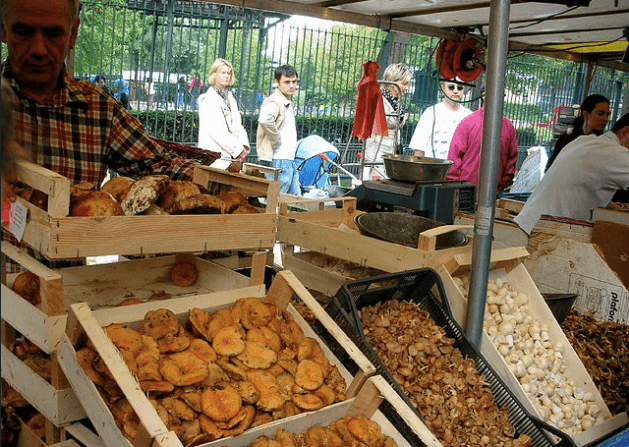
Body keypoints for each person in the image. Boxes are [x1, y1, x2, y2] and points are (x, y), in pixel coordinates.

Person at [1, 0, 201, 188]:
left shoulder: (98, 109)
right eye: (23, 32)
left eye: (53, 34)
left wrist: (220, 179)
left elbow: (160, 166)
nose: (38, 49)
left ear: (73, 33)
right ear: (2, 28)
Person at [514, 113, 629, 235]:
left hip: (525, 224)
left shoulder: (584, 142)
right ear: (624, 133)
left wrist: (612, 206)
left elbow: (581, 184)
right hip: (541, 233)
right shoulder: (616, 154)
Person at [446, 88, 518, 192]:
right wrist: (456, 187)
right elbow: (454, 159)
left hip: (494, 192)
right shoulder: (467, 123)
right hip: (465, 192)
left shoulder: (509, 127)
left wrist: (501, 185)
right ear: (483, 96)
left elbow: (511, 161)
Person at [363, 63, 412, 180]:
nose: (406, 88)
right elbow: (371, 137)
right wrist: (374, 166)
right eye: (404, 83)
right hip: (377, 158)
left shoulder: (395, 102)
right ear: (392, 82)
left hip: (389, 156)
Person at [256, 64, 301, 195]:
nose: (291, 85)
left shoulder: (285, 100)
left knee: (294, 203)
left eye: (294, 82)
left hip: (288, 159)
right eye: (287, 82)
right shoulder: (274, 101)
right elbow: (265, 119)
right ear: (277, 82)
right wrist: (276, 140)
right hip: (279, 158)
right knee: (275, 202)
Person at [197, 58, 250, 167]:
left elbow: (238, 126)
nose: (227, 76)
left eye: (229, 73)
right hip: (214, 157)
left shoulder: (231, 98)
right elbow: (216, 130)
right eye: (223, 73)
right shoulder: (208, 99)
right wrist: (238, 150)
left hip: (230, 158)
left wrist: (245, 147)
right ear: (214, 74)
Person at [408, 80, 472, 159]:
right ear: (443, 88)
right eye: (451, 87)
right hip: (431, 167)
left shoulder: (469, 116)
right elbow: (419, 149)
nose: (455, 91)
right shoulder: (430, 113)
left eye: (459, 88)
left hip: (457, 169)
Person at [546, 94, 610, 171]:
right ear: (585, 114)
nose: (605, 118)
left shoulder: (604, 144)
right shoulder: (566, 140)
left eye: (608, 114)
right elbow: (550, 168)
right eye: (600, 114)